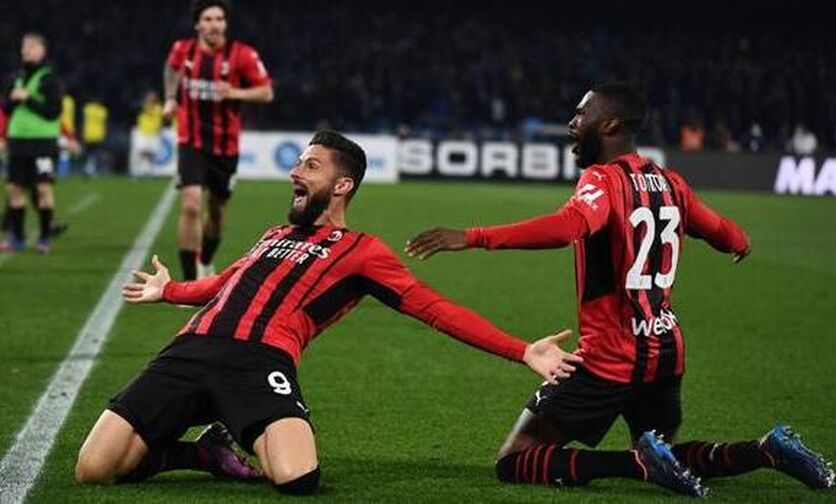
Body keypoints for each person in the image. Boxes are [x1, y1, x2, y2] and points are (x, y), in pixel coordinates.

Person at [74, 130, 583, 495]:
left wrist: (521, 350)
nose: (295, 172)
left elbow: (434, 309)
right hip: (188, 351)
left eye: (311, 166)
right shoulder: (273, 234)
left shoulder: (363, 251)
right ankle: (200, 452)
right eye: (299, 162)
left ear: (342, 186)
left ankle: (227, 438)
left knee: (297, 477)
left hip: (260, 362)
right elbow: (224, 283)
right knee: (93, 469)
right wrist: (171, 291)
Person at [406, 83, 836, 497]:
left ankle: (638, 465)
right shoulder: (672, 183)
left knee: (515, 461)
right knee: (666, 453)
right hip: (665, 353)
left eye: (581, 114)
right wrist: (738, 241)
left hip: (609, 357)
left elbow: (569, 226)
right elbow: (724, 232)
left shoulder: (603, 180)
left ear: (611, 124)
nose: (572, 122)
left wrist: (475, 236)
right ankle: (766, 451)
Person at [163, 0, 273, 280]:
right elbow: (171, 69)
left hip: (225, 147)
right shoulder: (182, 49)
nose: (214, 24)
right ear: (197, 25)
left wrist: (235, 93)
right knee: (191, 204)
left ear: (225, 24)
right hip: (191, 141)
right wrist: (170, 99)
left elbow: (266, 92)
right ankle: (189, 282)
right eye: (208, 19)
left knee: (217, 210)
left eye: (219, 19)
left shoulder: (243, 55)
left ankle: (206, 259)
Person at [1, 32, 62, 253]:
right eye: (24, 46)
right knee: (14, 189)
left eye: (32, 46)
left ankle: (44, 237)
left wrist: (28, 99)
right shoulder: (16, 77)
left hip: (42, 143)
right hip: (18, 141)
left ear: (42, 50)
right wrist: (12, 99)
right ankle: (17, 238)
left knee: (43, 189)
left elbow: (53, 111)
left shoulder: (49, 79)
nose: (26, 50)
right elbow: (6, 109)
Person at [134, 90, 163, 173]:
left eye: (153, 97)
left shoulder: (158, 108)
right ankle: (138, 170)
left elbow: (154, 113)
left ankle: (150, 171)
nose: (151, 99)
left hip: (153, 133)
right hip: (143, 132)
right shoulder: (141, 107)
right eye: (150, 97)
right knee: (140, 152)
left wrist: (147, 107)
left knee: (152, 153)